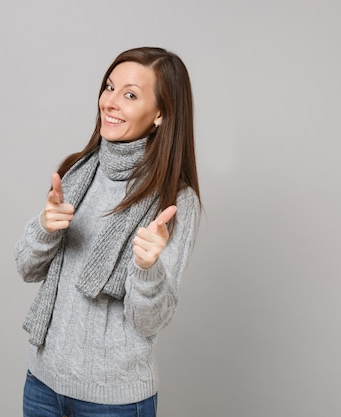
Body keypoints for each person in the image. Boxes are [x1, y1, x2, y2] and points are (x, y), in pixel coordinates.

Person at [14, 46, 201, 417]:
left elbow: (149, 321)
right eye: (109, 87)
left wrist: (148, 269)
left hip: (113, 400)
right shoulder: (78, 170)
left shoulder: (175, 200)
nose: (110, 102)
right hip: (42, 384)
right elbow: (26, 268)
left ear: (161, 114)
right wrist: (44, 229)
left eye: (130, 95)